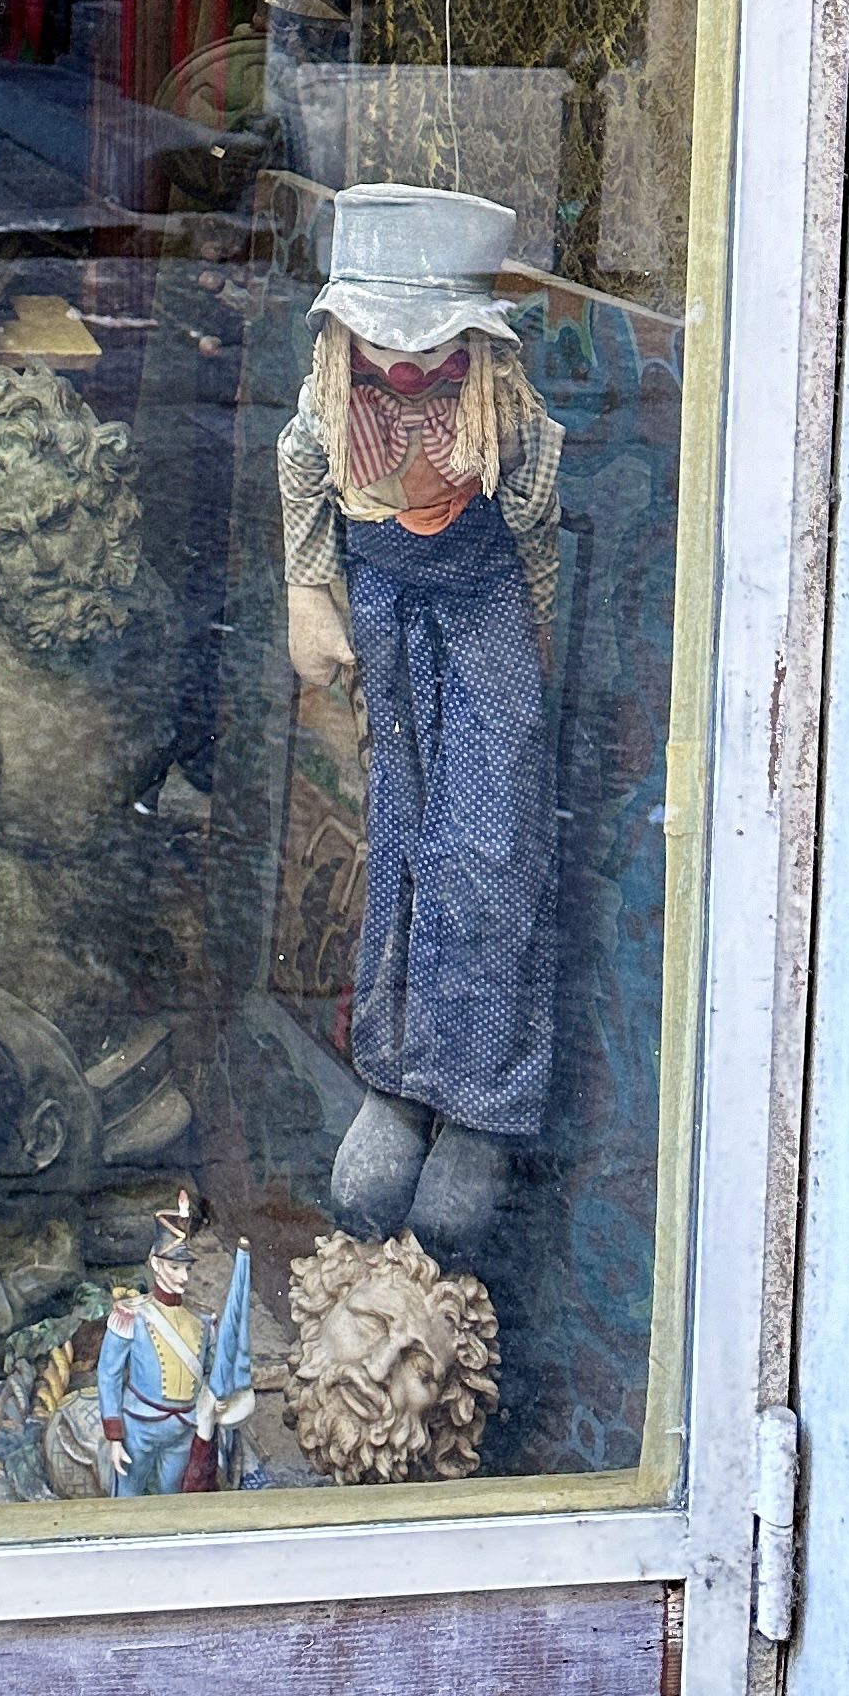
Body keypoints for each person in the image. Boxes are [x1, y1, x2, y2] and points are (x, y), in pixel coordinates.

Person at [278, 183, 562, 1258]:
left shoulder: (503, 418)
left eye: (431, 345)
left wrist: (535, 646)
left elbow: (535, 530)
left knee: (487, 853)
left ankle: (481, 1100)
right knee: (397, 844)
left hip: (485, 621)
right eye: (381, 342)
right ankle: (398, 1081)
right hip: (386, 619)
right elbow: (303, 475)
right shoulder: (328, 409)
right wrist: (308, 596)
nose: (402, 368)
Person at [97, 1183, 253, 1496]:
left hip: (184, 1427)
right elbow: (109, 1374)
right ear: (156, 1264)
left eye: (186, 1268)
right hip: (139, 1425)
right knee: (128, 1496)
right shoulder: (131, 1316)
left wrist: (219, 1396)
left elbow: (213, 1368)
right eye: (174, 1266)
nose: (183, 1277)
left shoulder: (203, 1320)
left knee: (176, 1498)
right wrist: (114, 1435)